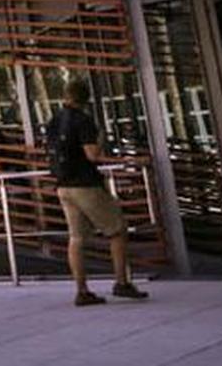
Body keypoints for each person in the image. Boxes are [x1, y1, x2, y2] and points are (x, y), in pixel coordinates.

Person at [47, 78, 148, 307]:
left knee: (77, 238)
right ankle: (122, 282)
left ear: (66, 95)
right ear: (86, 98)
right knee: (118, 230)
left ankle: (82, 291)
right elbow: (92, 155)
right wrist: (113, 151)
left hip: (63, 186)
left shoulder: (55, 120)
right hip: (85, 185)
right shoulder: (83, 120)